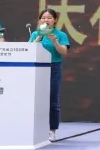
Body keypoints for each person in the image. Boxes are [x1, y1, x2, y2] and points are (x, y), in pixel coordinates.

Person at [29, 8, 70, 142]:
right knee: (35, 99)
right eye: (43, 18)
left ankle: (52, 130)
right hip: (37, 68)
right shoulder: (35, 34)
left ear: (55, 20)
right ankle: (36, 130)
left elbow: (63, 52)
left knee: (53, 100)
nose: (46, 20)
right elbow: (29, 51)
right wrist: (39, 37)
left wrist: (55, 41)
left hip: (53, 67)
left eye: (49, 18)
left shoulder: (60, 34)